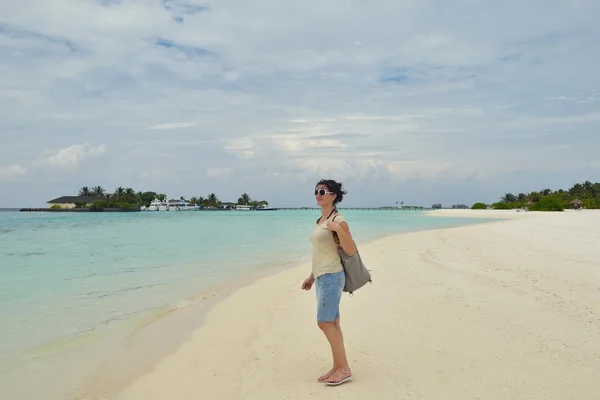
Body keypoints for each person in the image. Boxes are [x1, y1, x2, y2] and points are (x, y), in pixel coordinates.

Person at [301, 179, 356, 386]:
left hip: (333, 276)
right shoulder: (320, 221)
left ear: (333, 196)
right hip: (323, 276)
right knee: (332, 323)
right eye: (316, 191)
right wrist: (311, 276)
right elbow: (321, 253)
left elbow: (350, 250)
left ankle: (343, 369)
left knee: (324, 322)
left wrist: (339, 230)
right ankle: (338, 366)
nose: (318, 194)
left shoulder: (338, 220)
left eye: (322, 191)